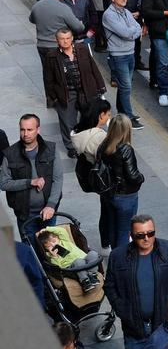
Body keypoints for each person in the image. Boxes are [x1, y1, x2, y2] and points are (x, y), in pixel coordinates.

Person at [105, 214, 168, 349]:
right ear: (131, 235)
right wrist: (122, 309)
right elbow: (109, 285)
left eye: (150, 233)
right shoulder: (118, 256)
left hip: (164, 326)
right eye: (140, 235)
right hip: (134, 329)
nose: (146, 238)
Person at [42, 27, 106, 157]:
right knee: (67, 121)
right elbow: (48, 79)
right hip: (66, 94)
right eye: (62, 39)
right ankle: (71, 147)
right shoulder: (52, 56)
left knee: (89, 117)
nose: (65, 41)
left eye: (67, 38)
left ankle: (88, 143)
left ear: (72, 39)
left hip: (86, 91)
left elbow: (94, 68)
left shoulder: (82, 49)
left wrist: (101, 87)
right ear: (57, 40)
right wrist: (53, 97)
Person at [1, 113, 63, 242]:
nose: (26, 134)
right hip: (25, 214)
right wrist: (30, 182)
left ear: (38, 129)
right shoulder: (10, 154)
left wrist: (51, 205)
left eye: (30, 129)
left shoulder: (51, 149)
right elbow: (4, 183)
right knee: (31, 252)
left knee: (51, 252)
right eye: (22, 129)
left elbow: (57, 179)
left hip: (48, 212)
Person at [96, 114, 144, 252]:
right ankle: (120, 261)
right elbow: (133, 175)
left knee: (111, 225)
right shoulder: (126, 149)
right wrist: (141, 178)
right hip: (125, 196)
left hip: (108, 194)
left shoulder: (103, 146)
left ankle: (111, 250)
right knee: (124, 231)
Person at [36, 226, 102, 292]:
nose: (53, 245)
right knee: (78, 261)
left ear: (58, 238)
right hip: (72, 268)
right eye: (49, 246)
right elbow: (58, 267)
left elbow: (62, 231)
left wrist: (46, 229)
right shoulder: (51, 255)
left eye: (54, 241)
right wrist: (55, 257)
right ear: (46, 249)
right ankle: (85, 281)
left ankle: (92, 275)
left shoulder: (65, 241)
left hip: (85, 260)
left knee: (93, 253)